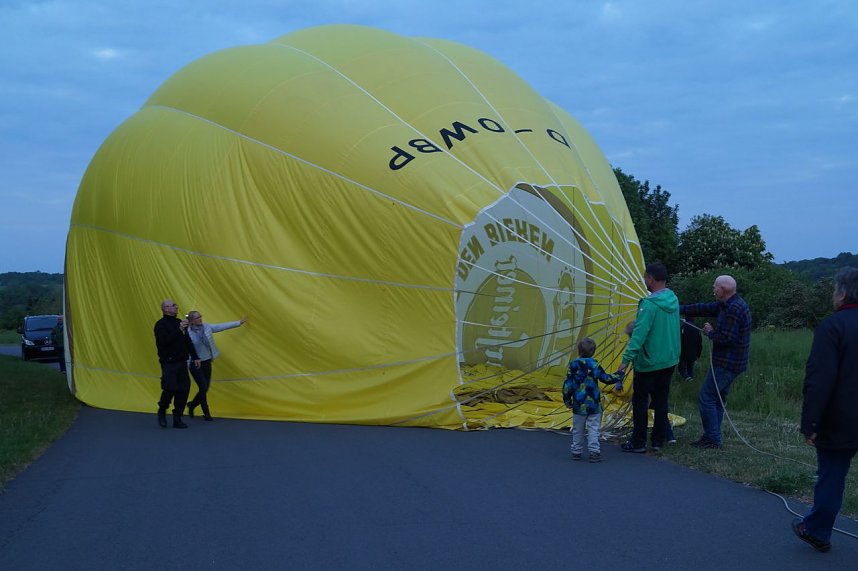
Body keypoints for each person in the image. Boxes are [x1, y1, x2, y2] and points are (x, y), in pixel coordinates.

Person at [792, 267, 858, 553]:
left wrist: (811, 423)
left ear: (843, 292)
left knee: (832, 476)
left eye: (834, 290)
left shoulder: (834, 326)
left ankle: (817, 530)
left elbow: (819, 379)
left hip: (841, 419)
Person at [680, 275, 751, 449]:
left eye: (715, 287)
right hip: (731, 363)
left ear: (723, 289)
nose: (713, 290)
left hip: (728, 363)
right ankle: (713, 436)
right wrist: (676, 308)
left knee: (707, 397)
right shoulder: (725, 305)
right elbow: (703, 308)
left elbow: (727, 339)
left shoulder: (734, 309)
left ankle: (712, 439)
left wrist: (710, 332)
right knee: (718, 399)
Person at [618, 262, 680, 453]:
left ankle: (638, 442)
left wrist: (625, 361)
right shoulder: (673, 299)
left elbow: (638, 335)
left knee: (641, 402)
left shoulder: (649, 304)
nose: (644, 281)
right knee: (661, 401)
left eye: (645, 277)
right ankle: (657, 440)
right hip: (669, 360)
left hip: (649, 362)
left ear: (650, 278)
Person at [562, 337, 623, 463]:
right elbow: (606, 378)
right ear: (593, 351)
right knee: (593, 428)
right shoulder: (595, 364)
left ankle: (576, 452)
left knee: (578, 429)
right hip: (594, 404)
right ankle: (594, 452)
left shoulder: (573, 365)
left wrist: (567, 400)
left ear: (578, 350)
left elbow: (567, 385)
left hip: (579, 404)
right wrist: (619, 375)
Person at [185, 310, 248, 421]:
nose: (200, 319)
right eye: (197, 318)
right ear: (191, 321)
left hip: (207, 361)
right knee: (203, 387)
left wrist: (239, 322)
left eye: (200, 316)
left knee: (206, 388)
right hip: (195, 363)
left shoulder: (207, 327)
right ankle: (206, 413)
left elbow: (222, 326)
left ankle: (192, 405)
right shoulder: (187, 332)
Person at [154, 299, 199, 429]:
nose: (175, 307)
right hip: (169, 362)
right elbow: (164, 342)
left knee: (184, 390)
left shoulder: (180, 323)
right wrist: (179, 330)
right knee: (169, 388)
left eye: (175, 305)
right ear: (165, 309)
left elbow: (187, 341)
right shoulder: (160, 325)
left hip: (182, 362)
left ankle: (177, 418)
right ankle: (162, 409)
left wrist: (195, 357)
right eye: (172, 305)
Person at [677, 314, 702, 382]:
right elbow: (699, 343)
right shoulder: (697, 329)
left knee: (681, 368)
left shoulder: (683, 327)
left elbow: (679, 340)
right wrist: (698, 354)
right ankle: (691, 380)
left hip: (683, 352)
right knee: (690, 367)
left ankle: (687, 378)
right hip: (693, 353)